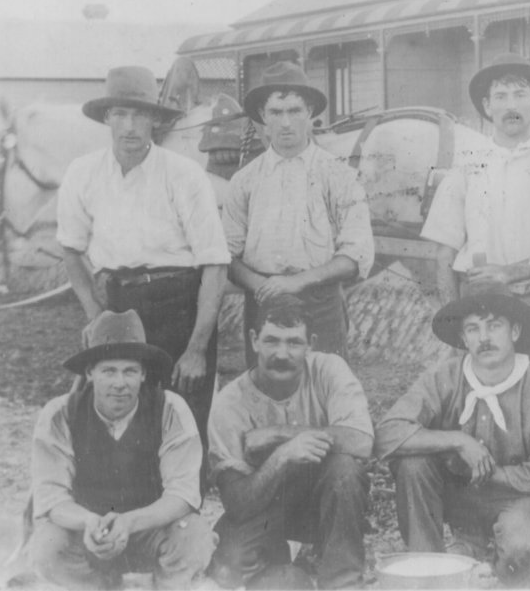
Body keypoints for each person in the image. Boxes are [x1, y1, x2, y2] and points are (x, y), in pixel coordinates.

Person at [57, 66, 230, 465]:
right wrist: (95, 316)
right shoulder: (83, 173)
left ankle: (183, 520)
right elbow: (71, 250)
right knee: (116, 425)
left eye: (139, 115)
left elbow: (215, 265)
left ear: (156, 119)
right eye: (120, 114)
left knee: (183, 426)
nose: (130, 126)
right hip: (116, 305)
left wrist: (197, 348)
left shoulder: (183, 175)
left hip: (178, 305)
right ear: (106, 119)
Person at [421, 53, 530, 384]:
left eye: (519, 95)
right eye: (501, 96)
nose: (510, 105)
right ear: (487, 106)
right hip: (484, 309)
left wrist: (511, 272)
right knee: (486, 401)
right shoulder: (467, 168)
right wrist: (456, 322)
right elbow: (443, 254)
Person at [375, 284, 530, 585]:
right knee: (413, 465)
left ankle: (497, 568)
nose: (484, 338)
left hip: (517, 499)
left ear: (514, 331)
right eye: (473, 329)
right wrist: (459, 442)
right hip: (457, 495)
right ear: (463, 338)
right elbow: (387, 433)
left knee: (520, 545)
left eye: (494, 326)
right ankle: (428, 574)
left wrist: (488, 470)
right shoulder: (445, 376)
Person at [29, 310, 215, 590]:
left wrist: (130, 523)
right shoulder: (60, 414)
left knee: (195, 536)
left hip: (149, 530)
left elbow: (183, 495)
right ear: (90, 373)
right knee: (46, 545)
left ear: (143, 374)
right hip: (89, 535)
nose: (119, 383)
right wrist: (89, 522)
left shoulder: (170, 409)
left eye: (130, 371)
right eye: (109, 371)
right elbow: (52, 499)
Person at [206, 295, 373, 589]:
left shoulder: (329, 369)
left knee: (345, 469)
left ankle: (342, 582)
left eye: (294, 342)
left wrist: (279, 434)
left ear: (311, 343)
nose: (282, 354)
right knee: (228, 565)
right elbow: (238, 504)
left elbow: (360, 442)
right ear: (254, 339)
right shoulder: (230, 403)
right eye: (272, 341)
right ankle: (287, 568)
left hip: (324, 500)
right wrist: (282, 456)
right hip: (265, 507)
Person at [221, 62, 374, 364]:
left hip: (320, 302)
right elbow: (227, 254)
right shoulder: (245, 180)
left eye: (295, 111)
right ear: (263, 117)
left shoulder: (338, 175)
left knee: (325, 392)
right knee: (267, 392)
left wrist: (298, 282)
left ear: (311, 113)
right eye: (276, 112)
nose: (286, 122)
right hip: (263, 301)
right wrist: (262, 286)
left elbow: (356, 255)